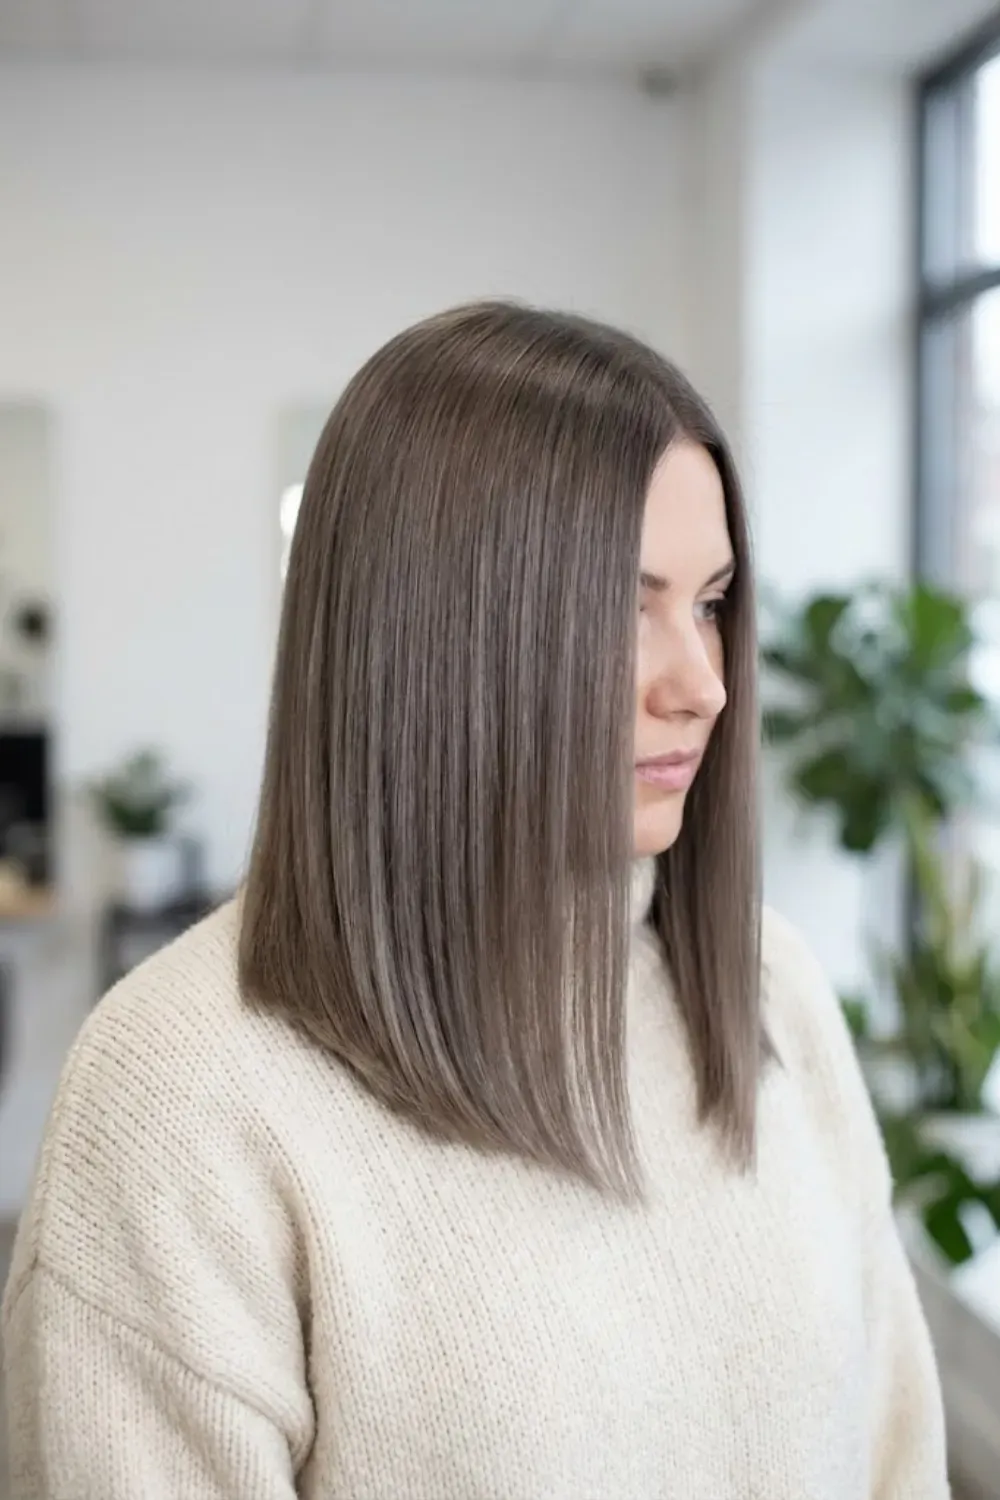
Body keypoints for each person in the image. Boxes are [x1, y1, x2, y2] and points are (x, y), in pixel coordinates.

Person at [2, 303, 948, 1499]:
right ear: (440, 636)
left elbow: (897, 1461)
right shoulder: (182, 1097)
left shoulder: (771, 990)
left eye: (710, 601)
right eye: (626, 604)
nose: (702, 683)